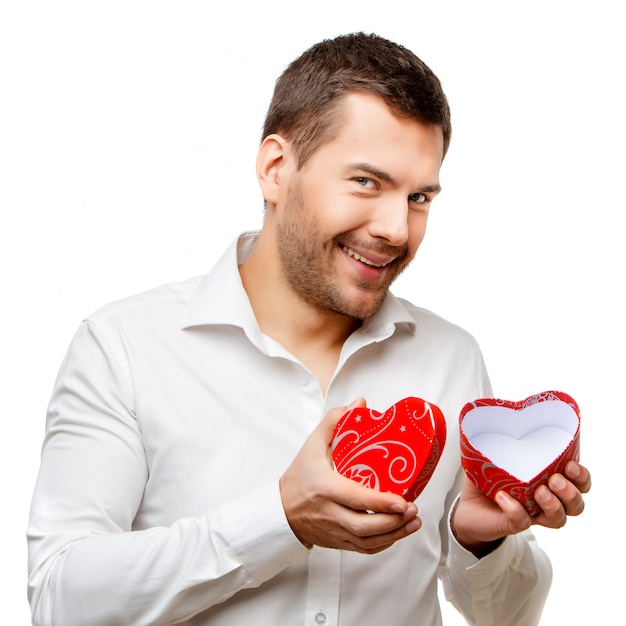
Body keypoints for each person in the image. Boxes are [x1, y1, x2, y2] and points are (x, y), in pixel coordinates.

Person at [27, 32, 591, 625]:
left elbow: (510, 617)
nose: (397, 229)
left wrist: (482, 543)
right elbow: (61, 600)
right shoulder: (125, 346)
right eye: (367, 182)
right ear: (276, 169)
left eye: (419, 196)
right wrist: (279, 520)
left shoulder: (451, 357)